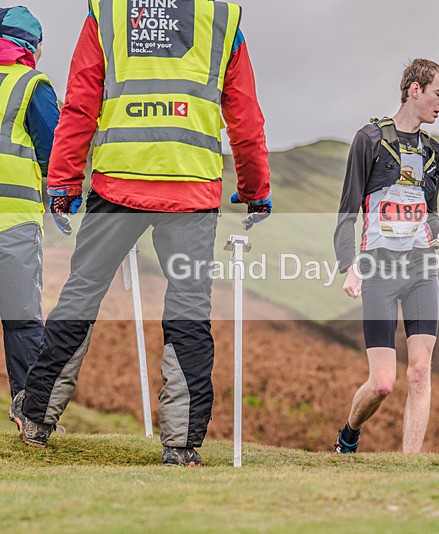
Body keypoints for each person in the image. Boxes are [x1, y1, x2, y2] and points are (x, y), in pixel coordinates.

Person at [9, 0, 271, 467]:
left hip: (117, 184)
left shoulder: (107, 13)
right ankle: (181, 446)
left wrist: (65, 182)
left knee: (80, 298)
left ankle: (36, 419)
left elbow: (80, 103)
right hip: (192, 190)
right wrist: (255, 189)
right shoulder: (222, 19)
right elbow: (245, 118)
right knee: (188, 311)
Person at [332, 59, 439, 454]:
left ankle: (410, 468)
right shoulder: (369, 140)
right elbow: (347, 212)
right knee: (384, 383)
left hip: (422, 267)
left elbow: (431, 211)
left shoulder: (434, 153)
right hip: (380, 271)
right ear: (414, 90)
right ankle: (349, 435)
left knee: (420, 372)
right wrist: (350, 264)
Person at [0, 7, 59, 403]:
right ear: (31, 46)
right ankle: (31, 411)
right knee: (22, 319)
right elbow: (54, 149)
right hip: (14, 223)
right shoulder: (31, 84)